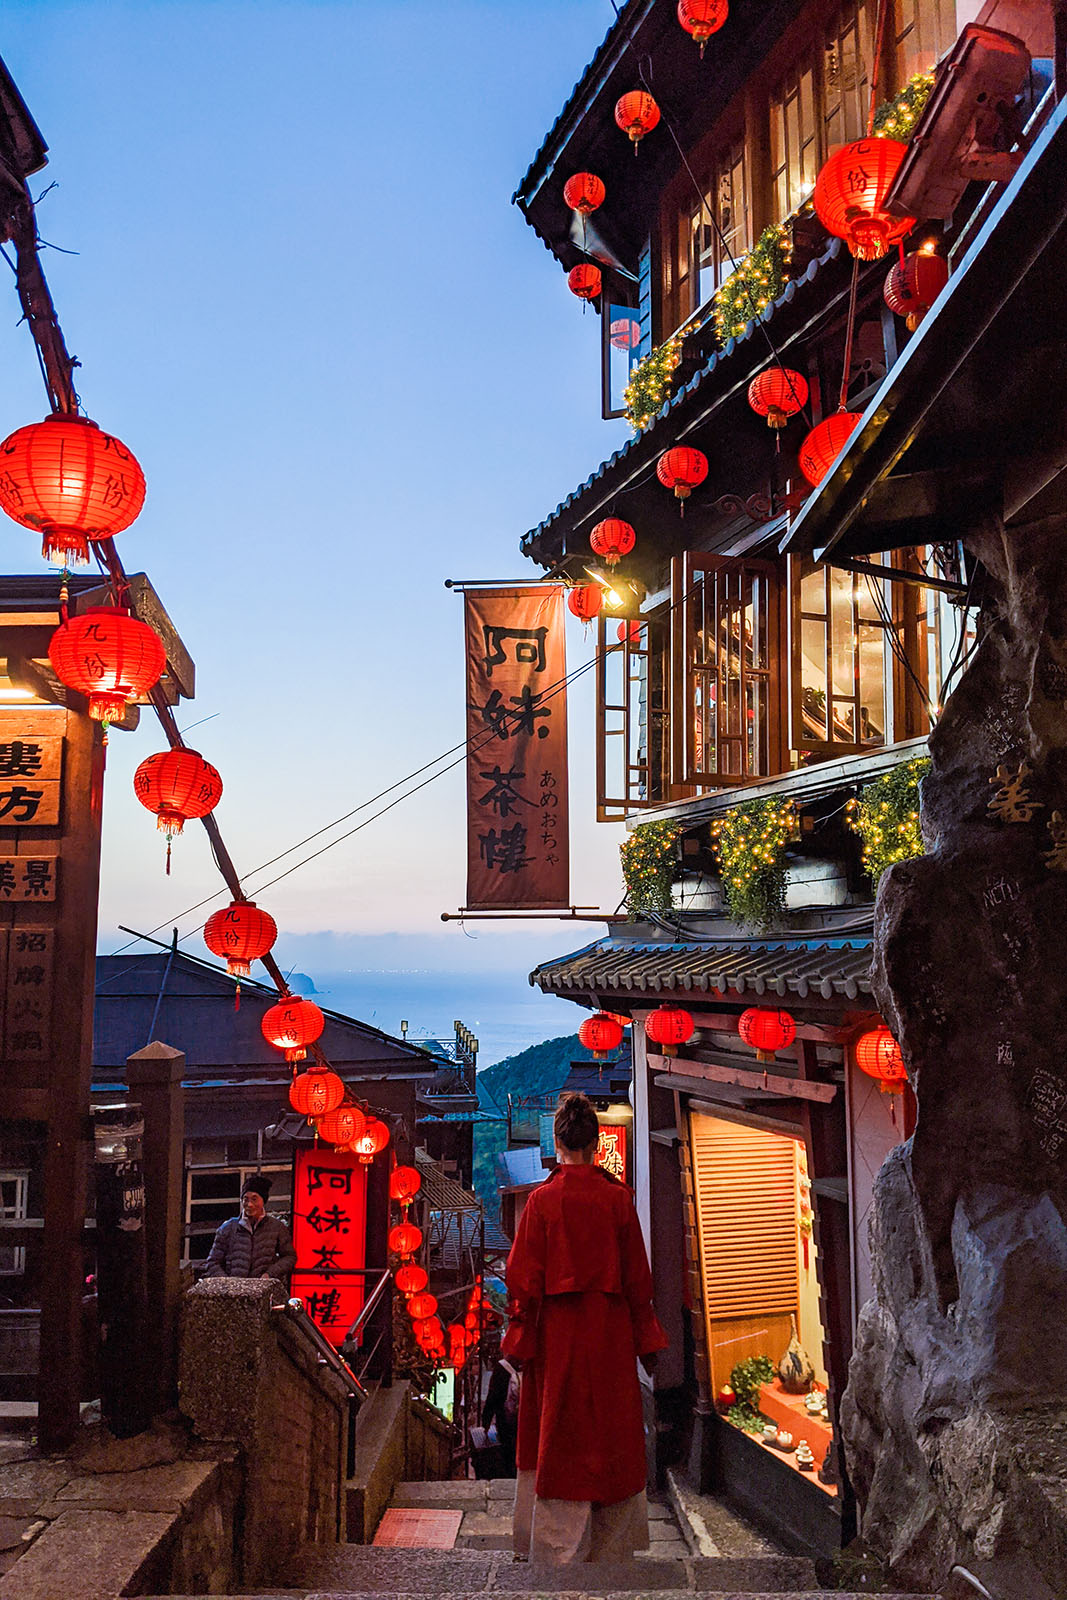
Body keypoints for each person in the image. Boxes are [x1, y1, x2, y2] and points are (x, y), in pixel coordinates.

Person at [502, 1091, 668, 1565]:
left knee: (557, 1433)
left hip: (556, 1338)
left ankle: (555, 1549)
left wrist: (518, 1340)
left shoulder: (541, 1202)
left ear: (557, 1142)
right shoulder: (618, 1202)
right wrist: (647, 1341)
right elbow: (639, 1279)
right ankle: (613, 1547)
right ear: (596, 1144)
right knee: (610, 1431)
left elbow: (523, 1281)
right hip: (610, 1336)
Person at [202, 1175, 297, 1285]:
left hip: (264, 1290)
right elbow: (212, 1262)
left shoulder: (277, 1227)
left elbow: (289, 1257)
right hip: (234, 1293)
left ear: (264, 1201)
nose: (249, 1204)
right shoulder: (228, 1228)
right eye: (245, 1199)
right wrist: (227, 1283)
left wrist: (270, 1275)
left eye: (254, 1199)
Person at [481, 1354, 520, 1477]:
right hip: (527, 1420)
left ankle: (510, 1478)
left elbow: (493, 1397)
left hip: (506, 1420)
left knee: (508, 1453)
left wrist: (485, 1422)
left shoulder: (502, 1368)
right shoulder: (531, 1365)